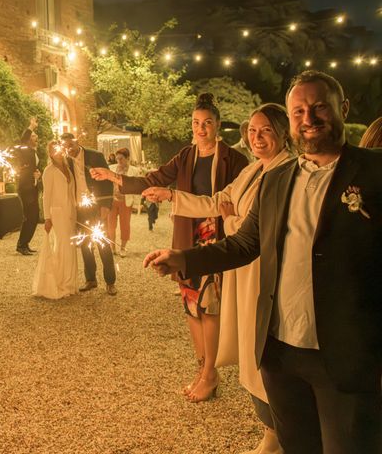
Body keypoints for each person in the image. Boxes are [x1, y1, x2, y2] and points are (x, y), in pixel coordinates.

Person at [144, 70, 382, 453]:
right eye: (299, 110)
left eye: (319, 107)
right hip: (280, 352)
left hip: (345, 353)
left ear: (344, 108)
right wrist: (182, 259)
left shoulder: (374, 171)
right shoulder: (277, 177)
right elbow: (243, 243)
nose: (309, 118)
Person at [147, 104, 291, 454]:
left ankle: (280, 430)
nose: (257, 138)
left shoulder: (287, 171)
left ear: (283, 133)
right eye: (252, 131)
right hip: (241, 267)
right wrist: (171, 196)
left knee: (264, 347)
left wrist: (230, 223)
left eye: (266, 131)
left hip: (262, 272)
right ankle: (272, 428)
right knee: (246, 343)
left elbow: (259, 231)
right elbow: (219, 201)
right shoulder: (255, 169)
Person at [92, 93, 248, 401]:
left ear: (217, 126)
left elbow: (239, 199)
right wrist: (113, 176)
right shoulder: (186, 156)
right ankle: (203, 367)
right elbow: (154, 179)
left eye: (207, 123)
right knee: (190, 303)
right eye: (195, 123)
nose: (200, 129)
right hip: (186, 236)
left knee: (209, 304)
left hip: (214, 238)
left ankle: (210, 373)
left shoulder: (234, 160)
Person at [61, 132, 117, 296]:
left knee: (103, 243)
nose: (69, 149)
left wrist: (106, 205)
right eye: (65, 147)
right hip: (79, 208)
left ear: (77, 142)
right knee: (85, 244)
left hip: (97, 205)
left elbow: (107, 181)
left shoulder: (95, 156)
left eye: (71, 145)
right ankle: (91, 279)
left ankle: (110, 282)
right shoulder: (66, 161)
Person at [33, 141, 78, 298]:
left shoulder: (68, 168)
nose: (57, 152)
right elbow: (46, 195)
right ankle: (62, 284)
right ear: (50, 153)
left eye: (58, 149)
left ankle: (70, 283)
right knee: (63, 246)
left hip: (70, 212)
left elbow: (71, 192)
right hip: (57, 213)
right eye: (53, 150)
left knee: (70, 246)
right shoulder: (49, 171)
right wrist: (47, 217)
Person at [107, 148, 141, 257]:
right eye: (117, 159)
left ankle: (123, 248)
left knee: (125, 225)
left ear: (127, 158)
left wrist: (136, 204)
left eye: (121, 159)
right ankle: (112, 247)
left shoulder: (134, 171)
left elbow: (137, 188)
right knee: (110, 225)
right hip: (112, 201)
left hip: (126, 201)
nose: (119, 161)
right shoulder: (111, 168)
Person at [15, 117, 41, 256]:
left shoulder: (33, 151)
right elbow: (22, 139)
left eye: (35, 135)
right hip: (26, 188)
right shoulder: (25, 149)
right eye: (33, 135)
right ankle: (22, 244)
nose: (36, 136)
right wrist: (31, 126)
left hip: (33, 186)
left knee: (34, 216)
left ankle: (24, 243)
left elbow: (34, 167)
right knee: (30, 216)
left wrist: (38, 173)